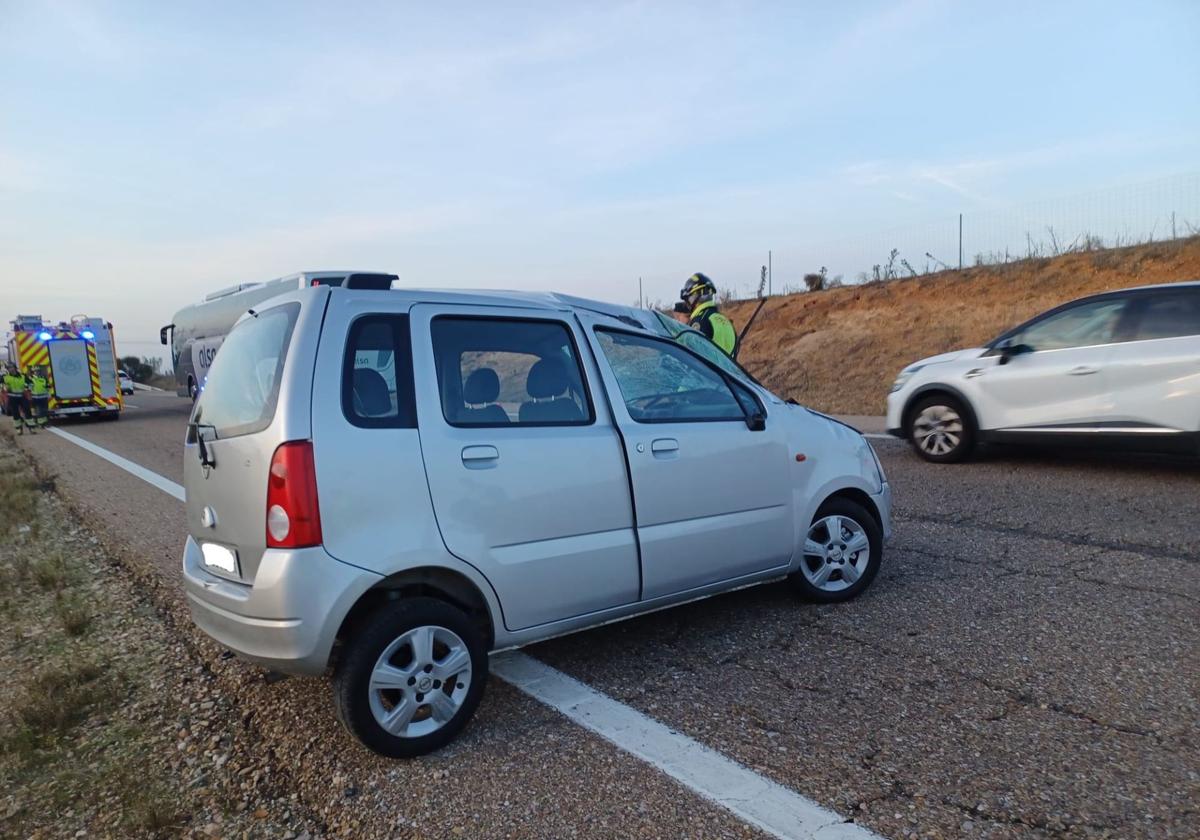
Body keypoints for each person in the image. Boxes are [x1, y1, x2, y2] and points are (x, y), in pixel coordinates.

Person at [677, 272, 737, 357]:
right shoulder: (726, 322)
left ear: (696, 297)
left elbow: (693, 356)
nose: (687, 303)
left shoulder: (700, 320)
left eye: (688, 298)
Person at [2, 363, 33, 435]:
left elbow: (31, 383)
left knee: (27, 410)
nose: (10, 369)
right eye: (9, 368)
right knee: (15, 413)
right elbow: (1, 385)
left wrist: (27, 388)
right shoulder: (5, 377)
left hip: (22, 396)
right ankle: (19, 428)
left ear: (15, 368)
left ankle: (31, 427)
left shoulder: (23, 376)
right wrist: (4, 387)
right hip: (12, 397)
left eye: (12, 367)